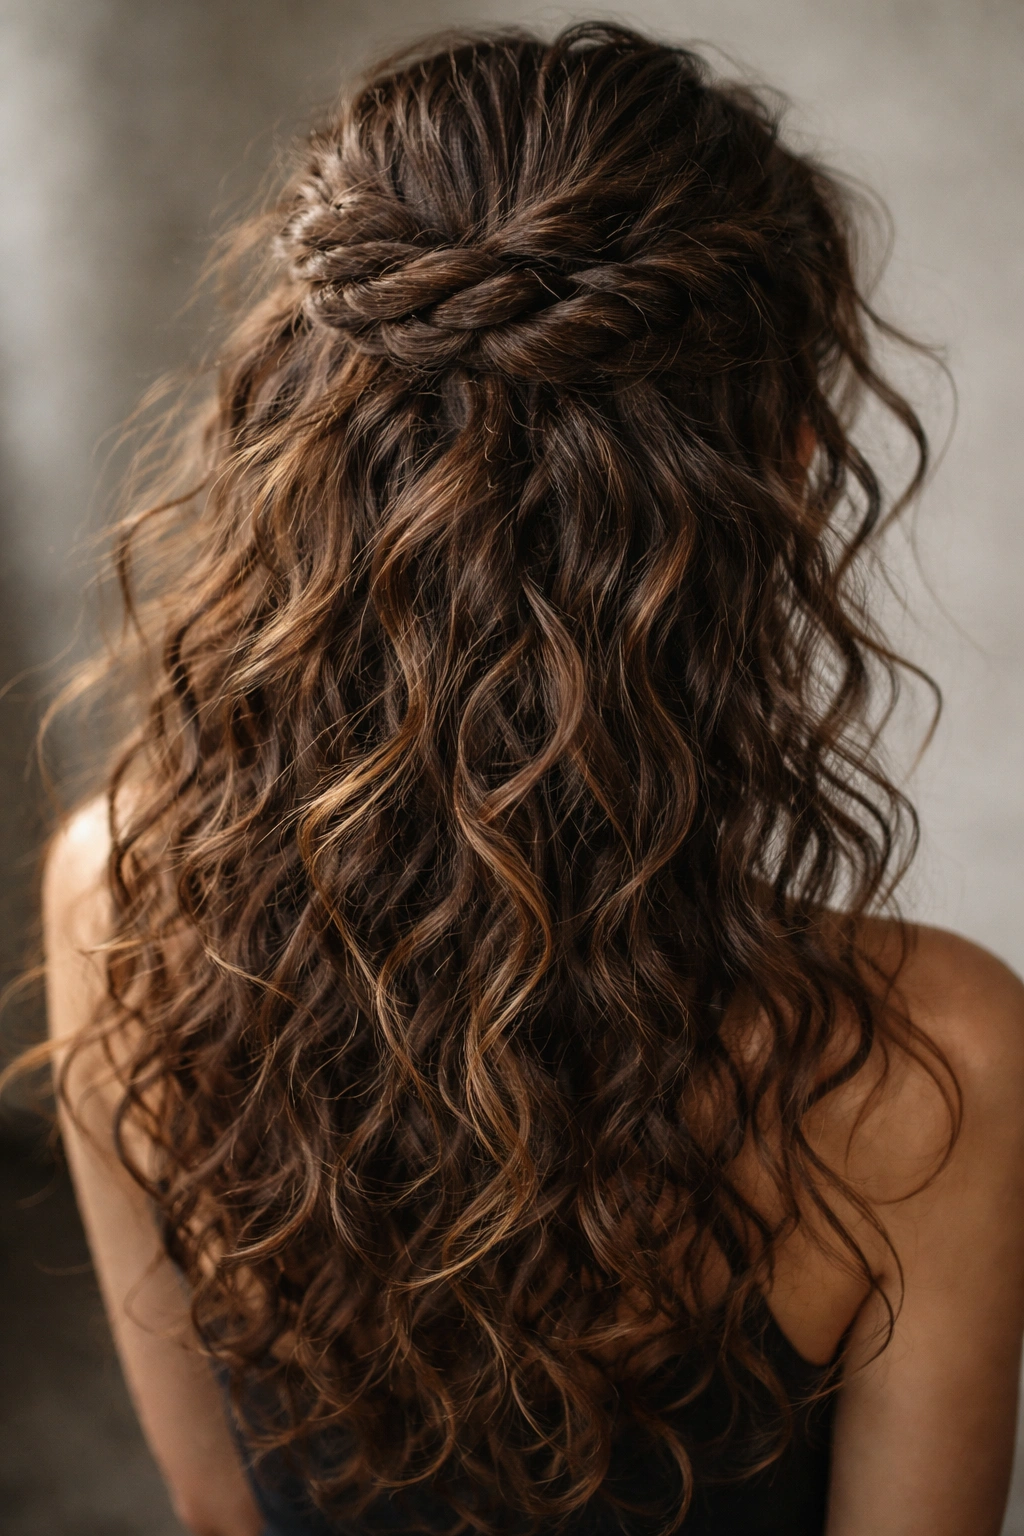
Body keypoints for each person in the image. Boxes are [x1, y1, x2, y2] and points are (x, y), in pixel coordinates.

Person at [38, 22, 1024, 1536]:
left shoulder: (118, 889)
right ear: (798, 473)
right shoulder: (935, 1067)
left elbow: (215, 1507)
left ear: (297, 432)